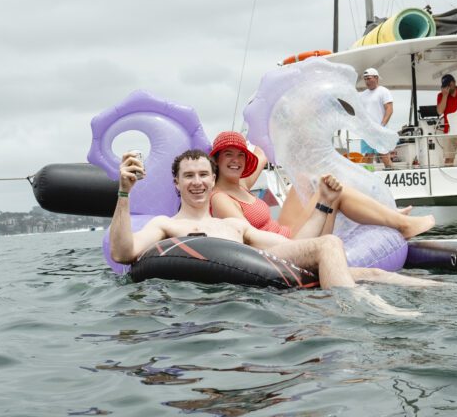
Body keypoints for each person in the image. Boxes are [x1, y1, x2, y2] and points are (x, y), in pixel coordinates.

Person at [109, 149, 438, 291]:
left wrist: (324, 205)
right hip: (224, 288)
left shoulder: (234, 227)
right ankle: (353, 314)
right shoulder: (167, 226)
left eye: (204, 175)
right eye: (189, 176)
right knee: (332, 248)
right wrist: (124, 193)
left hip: (261, 274)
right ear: (177, 183)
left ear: (212, 180)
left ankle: (451, 292)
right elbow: (124, 253)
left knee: (370, 270)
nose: (197, 182)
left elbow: (293, 247)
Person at [208, 131, 435, 240]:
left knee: (305, 181)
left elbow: (262, 155)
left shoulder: (239, 184)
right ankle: (402, 225)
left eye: (240, 155)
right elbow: (248, 238)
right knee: (336, 192)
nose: (236, 160)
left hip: (283, 230)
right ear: (216, 160)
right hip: (286, 244)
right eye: (228, 155)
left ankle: (388, 214)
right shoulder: (220, 198)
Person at [358, 68, 394, 168]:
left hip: (380, 130)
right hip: (367, 132)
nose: (366, 81)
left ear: (376, 78)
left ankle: (391, 175)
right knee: (368, 156)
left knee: (384, 155)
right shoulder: (362, 95)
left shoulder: (384, 91)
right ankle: (368, 179)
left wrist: (381, 126)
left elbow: (389, 109)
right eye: (365, 79)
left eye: (369, 78)